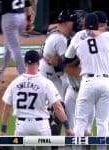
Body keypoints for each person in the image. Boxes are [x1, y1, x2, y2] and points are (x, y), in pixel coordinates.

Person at [65, 12, 109, 150]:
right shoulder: (107, 36)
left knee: (80, 121)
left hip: (88, 82)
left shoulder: (78, 38)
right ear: (98, 25)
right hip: (105, 82)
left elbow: (67, 59)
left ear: (84, 25)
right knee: (102, 122)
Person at [0, 50, 74, 150]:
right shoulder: (46, 83)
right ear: (39, 63)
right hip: (41, 127)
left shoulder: (15, 83)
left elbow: (6, 109)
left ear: (25, 63)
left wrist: (3, 130)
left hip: (22, 128)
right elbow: (58, 107)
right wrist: (68, 128)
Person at [39, 10, 76, 138]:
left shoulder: (54, 33)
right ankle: (52, 141)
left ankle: (50, 138)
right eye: (72, 21)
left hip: (48, 76)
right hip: (49, 78)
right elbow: (67, 63)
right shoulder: (60, 39)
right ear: (65, 23)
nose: (74, 24)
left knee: (54, 110)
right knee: (58, 109)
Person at [0, 0, 32, 81]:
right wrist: (29, 19)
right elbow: (28, 5)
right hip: (22, 17)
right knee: (8, 46)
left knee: (14, 48)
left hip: (10, 18)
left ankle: (24, 75)